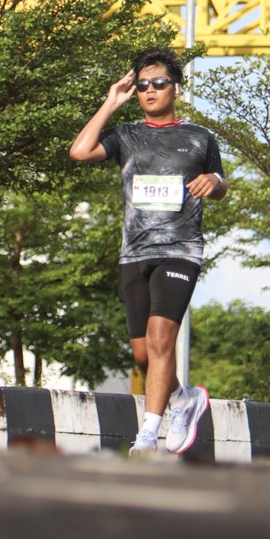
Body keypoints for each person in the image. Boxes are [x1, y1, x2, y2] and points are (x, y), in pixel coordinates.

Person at [70, 48, 225, 456]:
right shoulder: (125, 135)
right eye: (142, 85)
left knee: (160, 340)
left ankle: (148, 435)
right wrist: (111, 102)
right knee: (143, 354)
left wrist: (213, 181)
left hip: (180, 249)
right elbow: (80, 151)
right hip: (134, 253)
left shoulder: (200, 137)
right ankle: (184, 400)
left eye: (158, 83)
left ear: (176, 88)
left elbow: (221, 184)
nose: (150, 90)